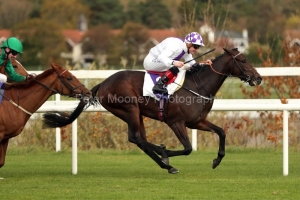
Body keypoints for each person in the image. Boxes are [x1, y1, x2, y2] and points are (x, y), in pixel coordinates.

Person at [143, 31, 213, 94]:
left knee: (186, 65)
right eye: (196, 46)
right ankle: (158, 85)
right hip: (150, 62)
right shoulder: (176, 45)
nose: (196, 50)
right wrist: (174, 63)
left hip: (158, 61)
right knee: (181, 66)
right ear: (189, 44)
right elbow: (161, 57)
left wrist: (204, 64)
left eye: (198, 47)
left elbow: (193, 64)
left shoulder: (186, 48)